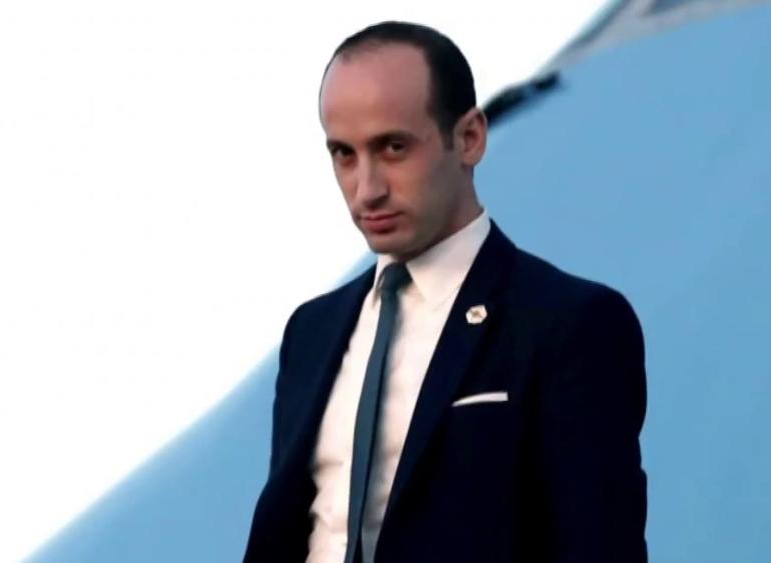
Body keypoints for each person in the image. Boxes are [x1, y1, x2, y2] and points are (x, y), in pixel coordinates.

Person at [243, 21, 647, 563]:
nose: (367, 189)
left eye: (393, 148)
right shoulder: (310, 333)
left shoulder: (571, 323)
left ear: (470, 138)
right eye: (344, 154)